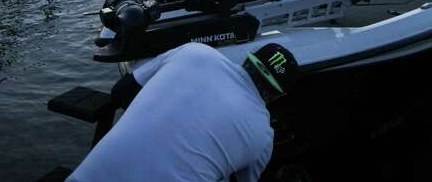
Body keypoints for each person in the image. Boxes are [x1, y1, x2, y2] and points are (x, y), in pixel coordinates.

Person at [67, 42, 299, 182]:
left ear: (249, 59)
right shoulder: (263, 137)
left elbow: (121, 91)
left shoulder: (196, 52)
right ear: (278, 95)